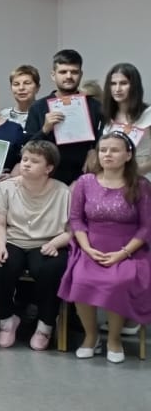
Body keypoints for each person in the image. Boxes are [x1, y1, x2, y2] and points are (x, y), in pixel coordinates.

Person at [58, 133, 151, 363]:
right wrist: (87, 248)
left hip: (128, 249)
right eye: (103, 150)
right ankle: (91, 337)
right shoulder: (85, 182)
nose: (107, 154)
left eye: (114, 150)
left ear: (128, 155)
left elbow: (146, 227)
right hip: (90, 245)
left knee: (118, 282)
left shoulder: (140, 185)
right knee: (81, 279)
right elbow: (76, 219)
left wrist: (123, 253)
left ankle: (114, 339)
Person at [0, 140, 71, 350]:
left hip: (48, 241)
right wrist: (0, 246)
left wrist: (56, 243)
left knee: (50, 269)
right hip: (13, 239)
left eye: (34, 161)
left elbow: (73, 229)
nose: (27, 164)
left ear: (48, 168)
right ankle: (7, 319)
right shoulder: (7, 187)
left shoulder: (63, 191)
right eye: (24, 159)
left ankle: (45, 324)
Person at [24, 49, 103, 185]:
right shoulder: (38, 107)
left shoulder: (95, 106)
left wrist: (95, 150)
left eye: (74, 72)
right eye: (63, 72)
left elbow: (104, 139)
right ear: (53, 75)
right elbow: (27, 148)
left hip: (85, 178)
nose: (69, 76)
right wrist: (45, 129)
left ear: (81, 74)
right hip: (47, 179)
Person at [100, 63, 151, 177]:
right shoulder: (106, 115)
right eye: (113, 84)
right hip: (114, 179)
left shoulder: (148, 114)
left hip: (143, 178)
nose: (117, 89)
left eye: (123, 83)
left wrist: (137, 171)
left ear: (134, 86)